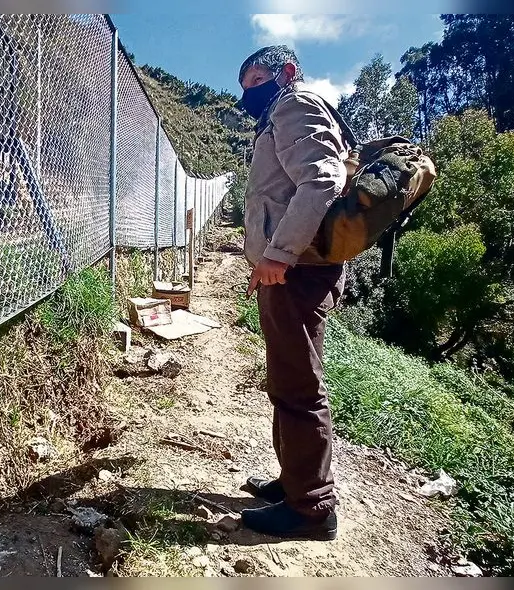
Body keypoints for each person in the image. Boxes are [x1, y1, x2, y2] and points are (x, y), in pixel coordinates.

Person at [236, 45, 349, 541]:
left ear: (285, 72)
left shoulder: (293, 103)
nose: (248, 93)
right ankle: (294, 482)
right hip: (298, 268)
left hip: (295, 269)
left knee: (297, 385)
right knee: (288, 378)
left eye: (256, 78)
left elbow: (323, 177)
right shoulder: (284, 111)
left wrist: (279, 253)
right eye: (242, 85)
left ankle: (312, 509)